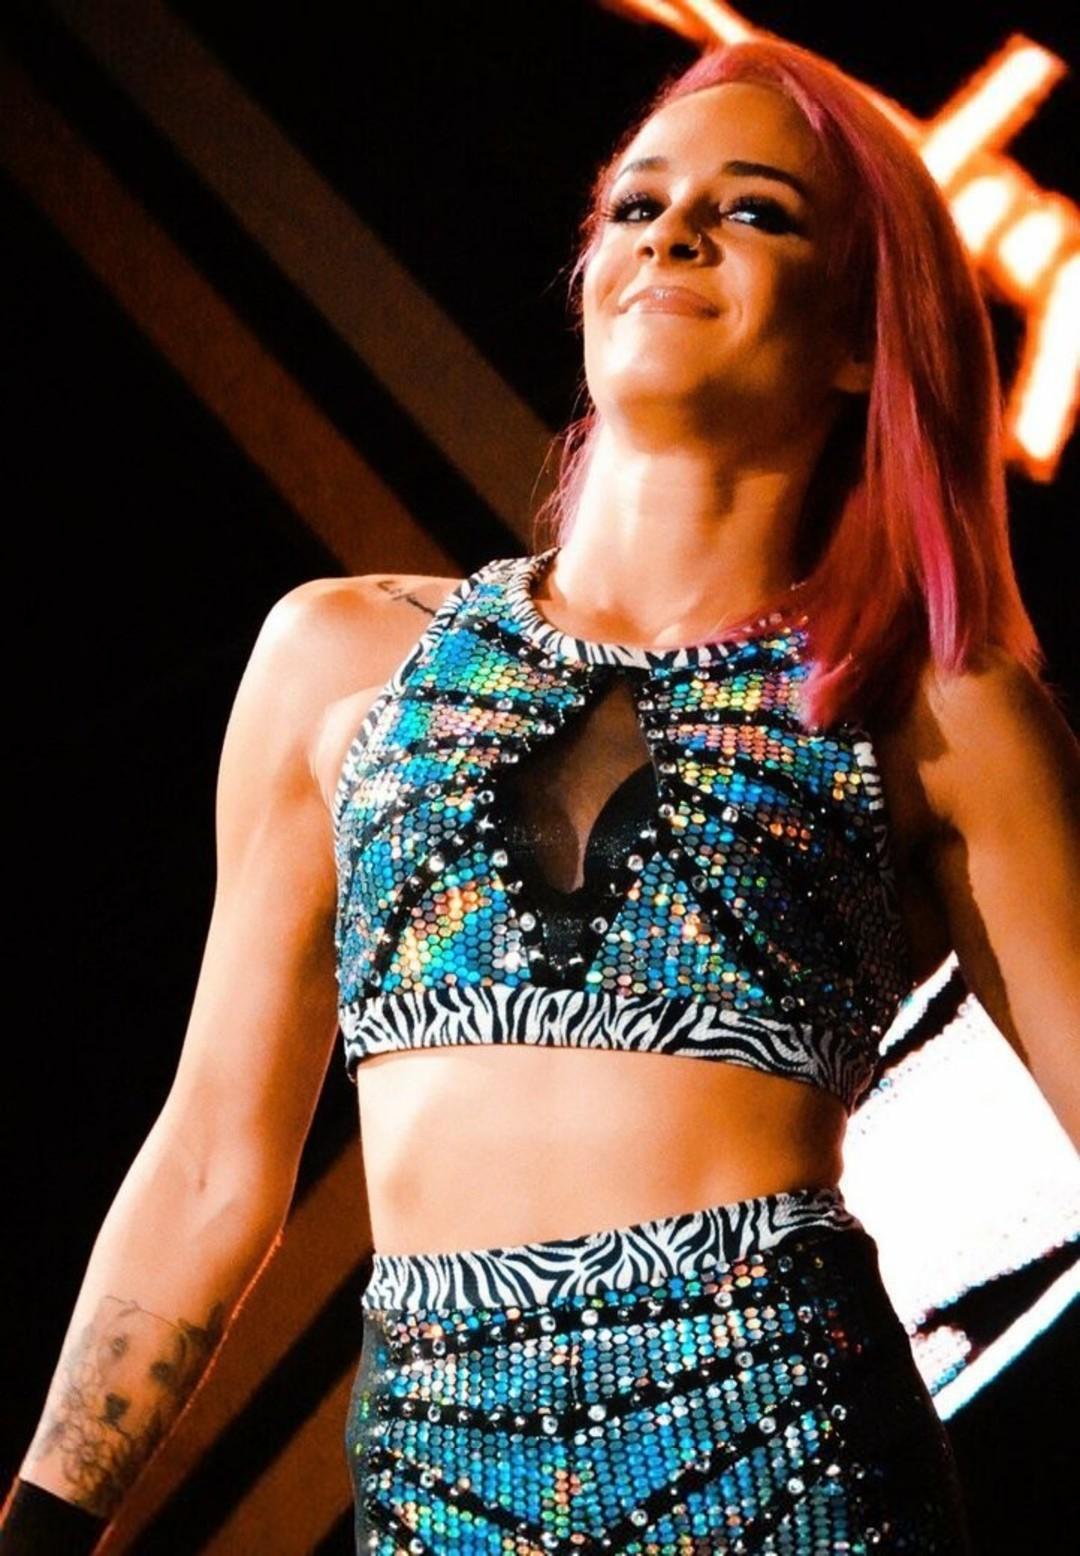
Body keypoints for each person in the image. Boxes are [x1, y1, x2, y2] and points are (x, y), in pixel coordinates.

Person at [4, 33, 1078, 1556]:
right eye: (637, 204)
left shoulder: (933, 707)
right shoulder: (340, 660)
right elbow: (209, 1161)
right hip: (439, 1491)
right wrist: (46, 1523)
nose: (673, 232)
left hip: (786, 1472)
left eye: (753, 209)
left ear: (861, 336)